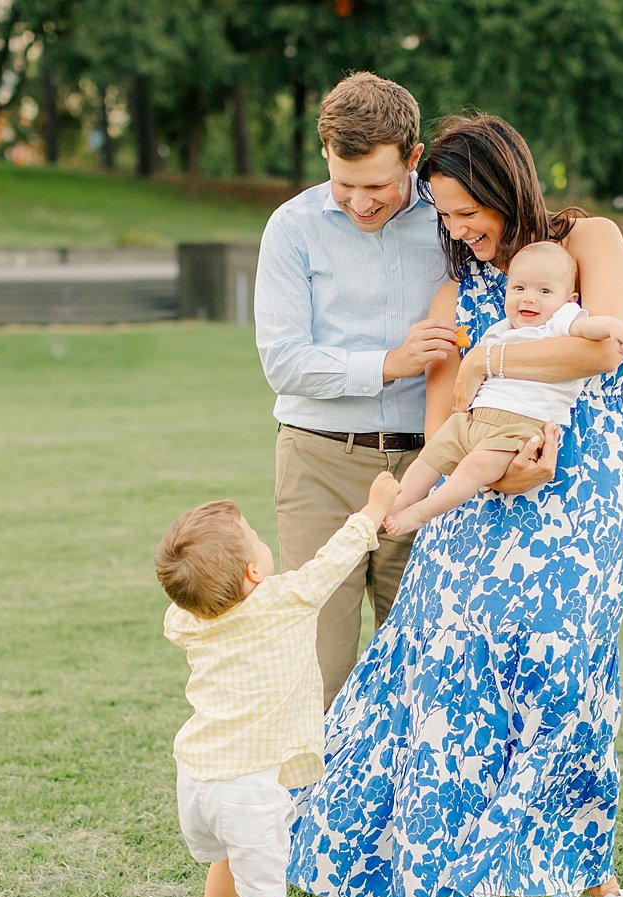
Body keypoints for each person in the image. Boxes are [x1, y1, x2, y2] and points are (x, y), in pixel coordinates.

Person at [287, 114, 623, 897]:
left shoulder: (591, 241)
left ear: (504, 184)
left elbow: (605, 354)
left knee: (568, 675)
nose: (457, 231)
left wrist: (490, 361)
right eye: (445, 218)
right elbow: (445, 412)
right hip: (477, 499)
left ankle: (584, 865)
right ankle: (447, 877)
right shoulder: (457, 292)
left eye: (464, 212)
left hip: (587, 496)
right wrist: (488, 404)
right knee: (453, 680)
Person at [256, 72, 475, 707]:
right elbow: (284, 362)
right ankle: (309, 806)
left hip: (430, 465)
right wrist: (391, 362)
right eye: (343, 183)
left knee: (423, 661)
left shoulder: (450, 219)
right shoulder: (291, 228)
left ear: (413, 158)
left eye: (376, 186)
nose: (358, 201)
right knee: (319, 665)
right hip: (319, 465)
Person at [155, 471, 402, 897]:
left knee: (227, 851)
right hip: (249, 787)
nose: (265, 543)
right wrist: (374, 508)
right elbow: (330, 564)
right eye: (258, 539)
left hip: (197, 777)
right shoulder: (282, 602)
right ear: (252, 570)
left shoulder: (189, 621)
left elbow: (181, 607)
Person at [383, 241, 623, 535]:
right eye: (519, 289)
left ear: (569, 300)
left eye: (544, 291)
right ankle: (391, 506)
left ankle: (420, 513)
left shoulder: (558, 323)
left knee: (475, 466)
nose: (529, 299)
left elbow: (589, 328)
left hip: (519, 427)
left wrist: (614, 328)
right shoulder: (500, 330)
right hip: (474, 420)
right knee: (428, 459)